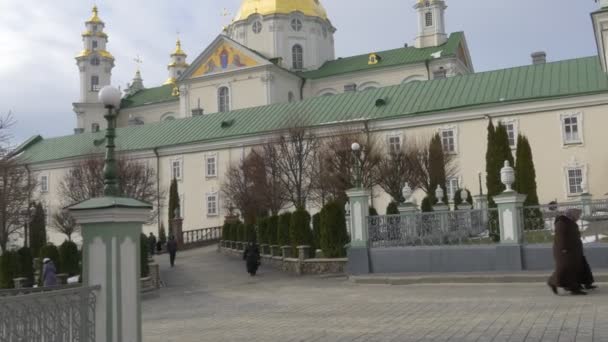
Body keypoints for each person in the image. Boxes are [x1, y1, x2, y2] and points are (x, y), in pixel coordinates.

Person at [547, 209, 587, 295]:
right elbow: (560, 237)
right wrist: (563, 248)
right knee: (564, 269)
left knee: (572, 269)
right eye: (577, 215)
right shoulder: (562, 223)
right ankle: (552, 282)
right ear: (572, 215)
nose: (578, 217)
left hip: (572, 250)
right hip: (564, 251)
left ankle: (573, 288)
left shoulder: (570, 222)